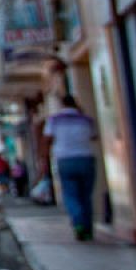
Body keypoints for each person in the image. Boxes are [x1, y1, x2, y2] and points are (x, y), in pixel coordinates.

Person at [43, 94, 98, 240]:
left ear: (62, 104)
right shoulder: (86, 120)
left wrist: (45, 160)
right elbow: (94, 136)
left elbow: (47, 139)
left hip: (65, 160)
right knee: (86, 196)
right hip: (86, 158)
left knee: (70, 195)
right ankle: (87, 229)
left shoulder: (54, 120)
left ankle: (78, 222)